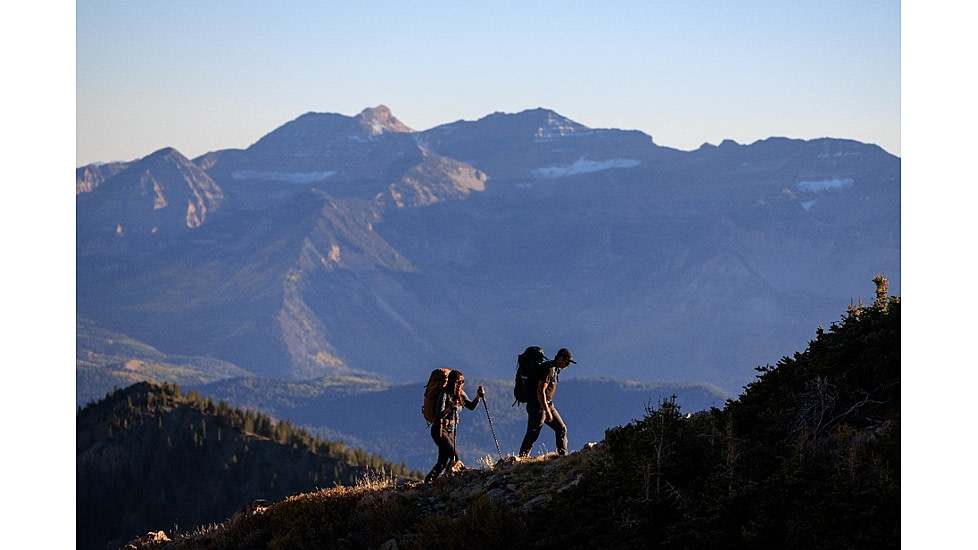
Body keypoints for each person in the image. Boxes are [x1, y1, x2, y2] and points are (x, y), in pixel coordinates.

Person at [424, 370, 485, 483]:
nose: (462, 384)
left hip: (450, 431)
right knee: (455, 458)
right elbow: (439, 414)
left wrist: (478, 397)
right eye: (459, 381)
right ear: (453, 382)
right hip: (440, 430)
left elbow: (471, 406)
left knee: (443, 462)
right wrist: (450, 408)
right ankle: (447, 481)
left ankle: (429, 481)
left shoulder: (460, 394)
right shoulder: (444, 393)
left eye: (463, 381)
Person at [519, 348, 576, 458]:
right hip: (538, 406)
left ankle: (562, 457)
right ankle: (521, 458)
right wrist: (546, 410)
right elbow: (540, 391)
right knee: (533, 433)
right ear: (560, 358)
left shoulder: (554, 369)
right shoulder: (548, 369)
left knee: (561, 429)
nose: (567, 365)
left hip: (547, 404)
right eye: (567, 361)